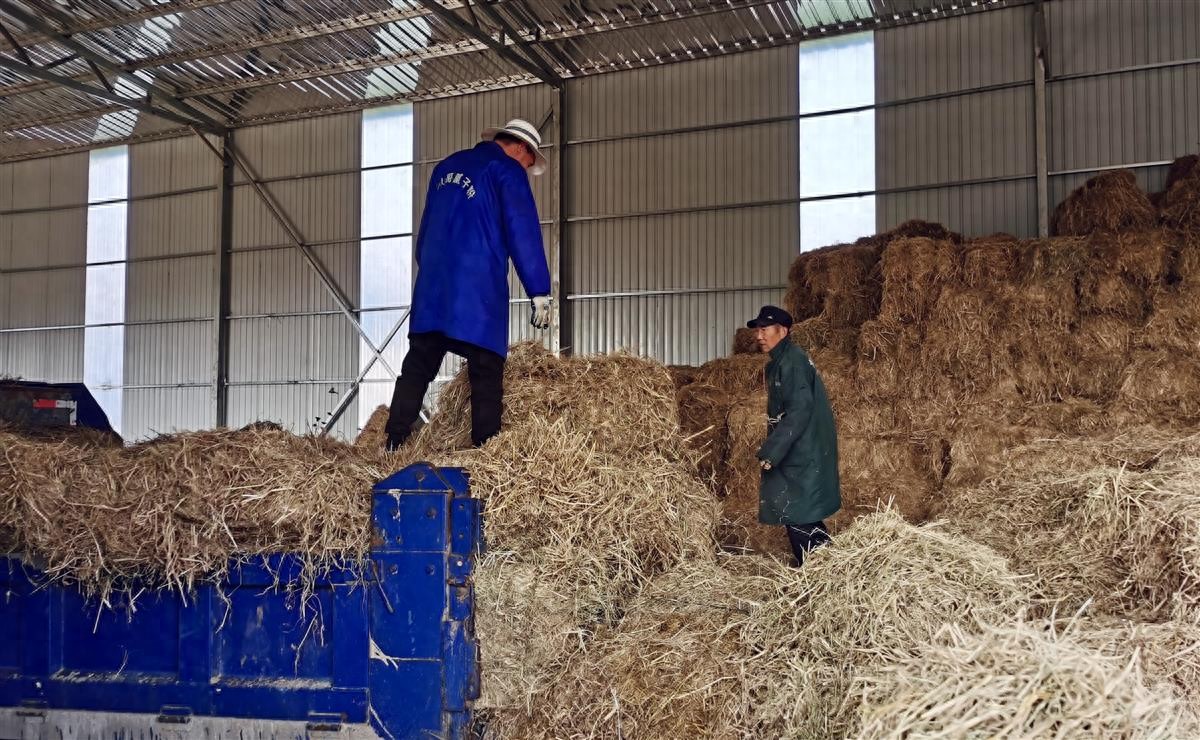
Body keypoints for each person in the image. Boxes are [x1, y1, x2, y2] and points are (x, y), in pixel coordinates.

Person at [384, 118, 552, 451]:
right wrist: (539, 290)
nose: (525, 169)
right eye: (528, 162)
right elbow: (523, 232)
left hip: (432, 288)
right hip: (477, 291)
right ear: (520, 148)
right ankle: (486, 451)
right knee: (486, 369)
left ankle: (394, 440)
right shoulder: (506, 170)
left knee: (418, 364)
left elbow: (425, 234)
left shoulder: (445, 169)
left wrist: (432, 272)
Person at [748, 305, 841, 566]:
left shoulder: (792, 362)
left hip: (802, 449)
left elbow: (800, 410)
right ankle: (818, 568)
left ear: (783, 330)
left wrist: (772, 450)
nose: (759, 336)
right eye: (758, 330)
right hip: (799, 446)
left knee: (800, 511)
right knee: (799, 511)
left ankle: (819, 569)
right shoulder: (784, 360)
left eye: (764, 329)